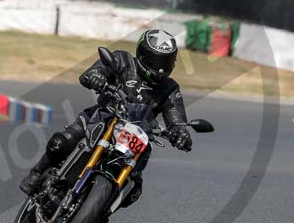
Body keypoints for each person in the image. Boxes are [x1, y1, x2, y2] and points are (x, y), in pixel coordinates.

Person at [19, 29, 193, 209]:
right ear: (142, 54)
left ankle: (99, 214)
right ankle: (36, 174)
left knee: (134, 190)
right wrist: (95, 76)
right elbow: (92, 72)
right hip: (103, 116)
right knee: (60, 143)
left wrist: (181, 133)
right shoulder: (122, 60)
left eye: (166, 61)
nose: (160, 68)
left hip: (137, 134)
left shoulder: (170, 88)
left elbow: (176, 117)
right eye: (155, 61)